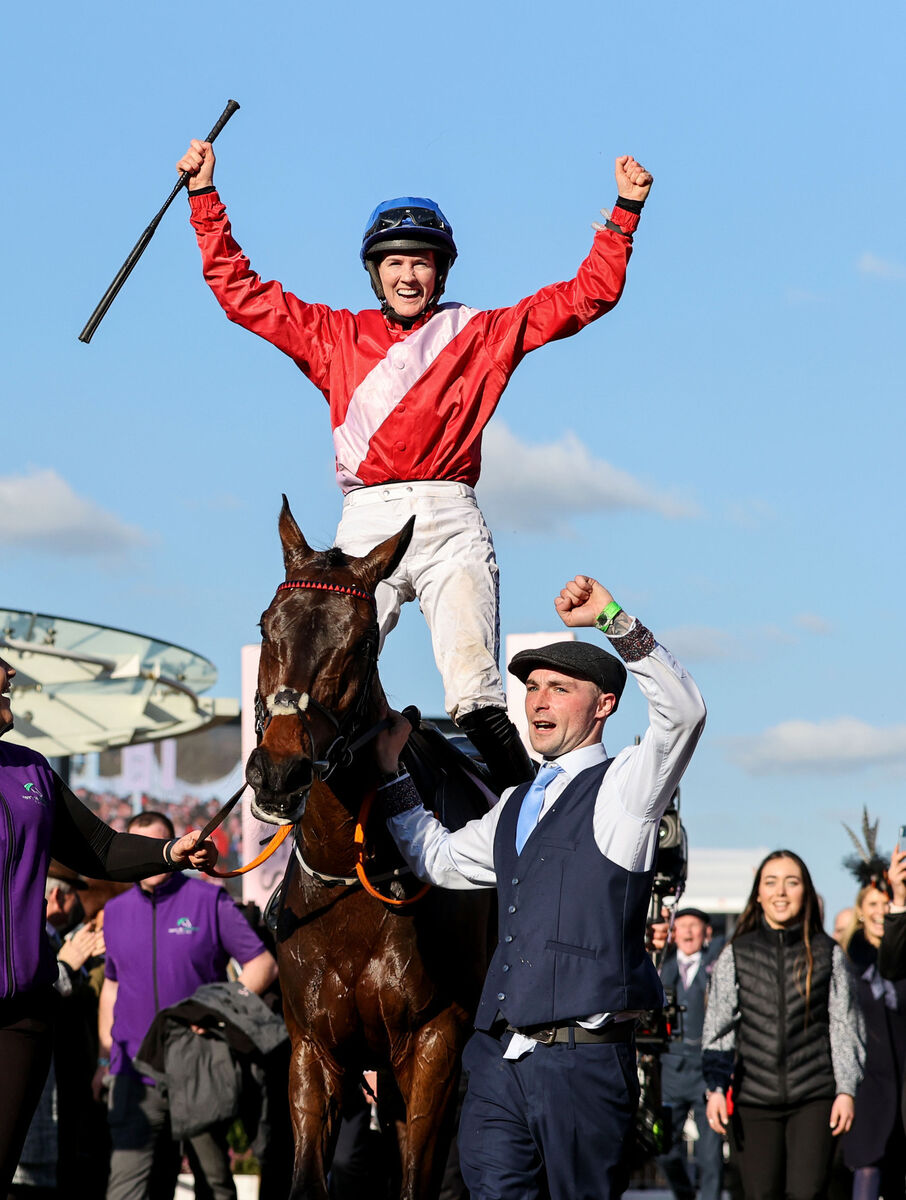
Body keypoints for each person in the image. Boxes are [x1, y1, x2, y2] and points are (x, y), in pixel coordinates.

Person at [176, 137, 653, 792]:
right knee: (311, 680)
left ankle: (523, 824)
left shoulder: (481, 333)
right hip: (365, 524)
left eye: (422, 264)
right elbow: (240, 293)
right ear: (375, 273)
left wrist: (624, 212)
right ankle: (285, 802)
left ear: (440, 273)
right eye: (395, 263)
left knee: (473, 692)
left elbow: (584, 298)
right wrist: (205, 196)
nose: (408, 276)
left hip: (448, 520)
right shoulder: (334, 334)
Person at [372, 573, 706, 1199]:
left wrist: (612, 619)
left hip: (583, 1059)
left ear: (605, 704)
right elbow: (438, 860)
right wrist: (393, 775)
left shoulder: (626, 789)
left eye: (560, 687)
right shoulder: (515, 802)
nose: (538, 701)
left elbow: (684, 714)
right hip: (497, 1060)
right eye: (530, 687)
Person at [0, 656, 217, 1191]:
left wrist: (170, 851)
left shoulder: (32, 772)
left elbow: (100, 847)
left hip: (22, 1017)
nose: (9, 674)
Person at [97, 810, 278, 1200]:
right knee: (126, 1190)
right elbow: (111, 985)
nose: (149, 857)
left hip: (200, 1069)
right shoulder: (114, 912)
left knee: (214, 1185)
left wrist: (215, 1013)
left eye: (156, 846)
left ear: (175, 847)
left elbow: (262, 965)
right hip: (134, 1075)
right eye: (140, 848)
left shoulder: (209, 898)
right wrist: (105, 1057)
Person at [702, 850, 865, 1200]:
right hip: (753, 1099)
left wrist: (846, 1091)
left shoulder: (828, 953)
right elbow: (719, 1027)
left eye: (791, 883)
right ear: (758, 894)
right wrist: (715, 1088)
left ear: (805, 891)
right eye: (770, 882)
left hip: (815, 1097)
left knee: (807, 1193)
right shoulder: (735, 953)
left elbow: (844, 1025)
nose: (781, 892)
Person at [841, 868, 906, 1200]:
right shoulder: (848, 960)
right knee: (867, 1164)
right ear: (861, 911)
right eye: (872, 904)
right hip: (866, 1082)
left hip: (902, 1078)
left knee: (897, 1170)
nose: (880, 911)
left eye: (886, 903)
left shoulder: (901, 959)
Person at [657, 908, 724, 1200]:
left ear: (705, 932)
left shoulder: (717, 962)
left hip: (706, 1070)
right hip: (670, 1069)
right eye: (681, 926)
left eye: (694, 926)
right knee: (663, 1146)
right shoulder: (662, 965)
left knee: (710, 1152)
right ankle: (684, 1193)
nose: (687, 932)